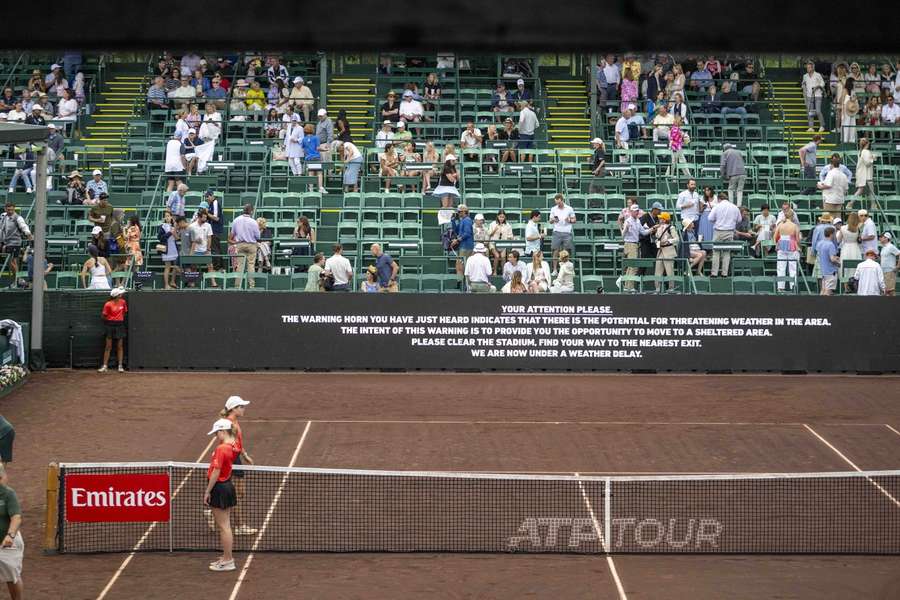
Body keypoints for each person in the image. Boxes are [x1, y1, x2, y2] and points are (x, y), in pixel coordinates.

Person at [218, 396, 257, 536]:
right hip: (230, 460)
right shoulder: (227, 424)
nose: (244, 409)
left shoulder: (235, 422)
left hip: (236, 458)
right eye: (241, 407)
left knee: (240, 493)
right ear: (233, 409)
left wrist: (244, 454)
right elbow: (223, 443)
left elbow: (238, 441)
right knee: (236, 494)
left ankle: (212, 512)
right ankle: (240, 525)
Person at [204, 418, 238, 572]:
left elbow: (216, 471)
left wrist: (208, 490)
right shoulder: (233, 445)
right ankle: (226, 557)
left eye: (217, 433)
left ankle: (228, 560)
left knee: (224, 527)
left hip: (219, 487)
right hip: (227, 485)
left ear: (223, 431)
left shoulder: (222, 448)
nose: (216, 436)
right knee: (226, 526)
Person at [0, 465, 23, 599]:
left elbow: (16, 516)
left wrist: (10, 535)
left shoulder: (8, 494)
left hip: (7, 543)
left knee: (12, 577)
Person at [708, 194, 741, 277]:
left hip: (718, 231)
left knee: (716, 253)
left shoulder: (717, 206)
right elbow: (739, 220)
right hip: (729, 232)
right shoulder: (734, 207)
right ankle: (724, 274)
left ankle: (714, 273)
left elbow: (710, 218)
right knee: (727, 253)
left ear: (719, 199)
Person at [229, 205, 260, 287]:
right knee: (251, 265)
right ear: (251, 211)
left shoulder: (236, 220)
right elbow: (258, 237)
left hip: (240, 244)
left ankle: (237, 286)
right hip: (251, 245)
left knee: (240, 266)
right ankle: (252, 285)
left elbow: (231, 235)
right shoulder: (253, 222)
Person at [98, 287, 127, 372]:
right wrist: (111, 321)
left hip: (120, 325)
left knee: (120, 346)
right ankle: (105, 366)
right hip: (110, 326)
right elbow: (103, 316)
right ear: (117, 296)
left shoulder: (123, 302)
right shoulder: (108, 304)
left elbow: (124, 312)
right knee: (108, 346)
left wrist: (118, 319)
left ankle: (120, 366)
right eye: (120, 294)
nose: (122, 294)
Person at [0, 204, 31, 281]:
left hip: (14, 242)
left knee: (12, 261)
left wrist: (29, 235)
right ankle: (16, 279)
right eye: (8, 210)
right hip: (6, 242)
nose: (10, 211)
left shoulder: (18, 218)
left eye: (11, 210)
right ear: (5, 209)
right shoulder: (4, 217)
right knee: (9, 261)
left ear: (14, 209)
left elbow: (24, 227)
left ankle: (18, 279)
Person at [774, 209, 801, 291]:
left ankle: (780, 287)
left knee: (781, 267)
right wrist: (799, 247)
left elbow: (775, 237)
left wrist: (777, 244)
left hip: (781, 245)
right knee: (793, 267)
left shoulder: (780, 225)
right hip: (792, 246)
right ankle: (793, 287)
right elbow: (798, 239)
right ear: (792, 216)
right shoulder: (795, 226)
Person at [549, 194, 576, 273]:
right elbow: (550, 221)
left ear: (562, 200)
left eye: (559, 202)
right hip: (556, 232)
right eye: (556, 202)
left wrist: (569, 220)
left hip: (567, 232)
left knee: (566, 252)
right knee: (555, 251)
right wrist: (553, 220)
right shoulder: (553, 209)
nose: (557, 204)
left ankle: (565, 270)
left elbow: (574, 220)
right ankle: (554, 269)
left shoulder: (569, 209)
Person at [653, 212, 679, 291]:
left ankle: (671, 288)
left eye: (661, 218)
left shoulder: (671, 228)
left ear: (664, 220)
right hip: (660, 250)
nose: (659, 219)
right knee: (658, 271)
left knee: (669, 271)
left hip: (668, 251)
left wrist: (668, 241)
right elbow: (657, 238)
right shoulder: (658, 228)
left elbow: (677, 239)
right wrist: (657, 242)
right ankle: (657, 288)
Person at [450, 204, 474, 282]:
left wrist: (457, 240)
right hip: (463, 246)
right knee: (460, 265)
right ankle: (461, 282)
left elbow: (467, 233)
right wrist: (453, 220)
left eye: (459, 212)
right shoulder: (462, 220)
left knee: (460, 265)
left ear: (464, 211)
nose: (458, 213)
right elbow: (456, 230)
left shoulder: (467, 220)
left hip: (466, 246)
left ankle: (462, 283)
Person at [802, 62, 826, 132]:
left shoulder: (817, 75)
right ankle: (811, 127)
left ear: (812, 68)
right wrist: (803, 86)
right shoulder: (805, 76)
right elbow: (803, 83)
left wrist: (818, 86)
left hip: (818, 95)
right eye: (807, 67)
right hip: (809, 95)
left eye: (809, 67)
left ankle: (822, 126)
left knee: (818, 111)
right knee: (810, 112)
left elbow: (823, 83)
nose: (808, 69)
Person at [488, 210, 514, 274]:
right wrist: (495, 230)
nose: (501, 218)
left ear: (505, 217)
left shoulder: (508, 225)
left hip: (503, 244)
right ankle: (494, 271)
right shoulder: (492, 224)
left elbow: (511, 236)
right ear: (497, 216)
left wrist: (509, 237)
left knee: (503, 257)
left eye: (503, 217)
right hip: (493, 243)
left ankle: (503, 272)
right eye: (500, 217)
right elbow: (489, 234)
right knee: (497, 256)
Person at [816, 227, 840, 295]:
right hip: (830, 271)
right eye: (834, 234)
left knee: (823, 290)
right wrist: (839, 262)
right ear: (831, 234)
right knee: (828, 291)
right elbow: (832, 259)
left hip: (823, 271)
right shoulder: (830, 244)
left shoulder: (820, 243)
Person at [158, 212, 180, 289]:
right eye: (165, 216)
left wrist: (174, 232)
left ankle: (172, 282)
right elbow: (160, 238)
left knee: (176, 265)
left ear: (171, 217)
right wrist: (169, 233)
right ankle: (166, 285)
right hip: (166, 249)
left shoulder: (174, 226)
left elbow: (177, 238)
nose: (167, 217)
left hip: (174, 248)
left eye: (168, 216)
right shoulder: (162, 226)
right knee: (167, 267)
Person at [854, 138, 875, 209]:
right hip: (866, 175)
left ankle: (850, 203)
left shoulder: (861, 151)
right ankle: (873, 206)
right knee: (871, 191)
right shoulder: (866, 152)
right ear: (867, 144)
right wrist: (873, 158)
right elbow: (867, 163)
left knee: (861, 190)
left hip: (862, 174)